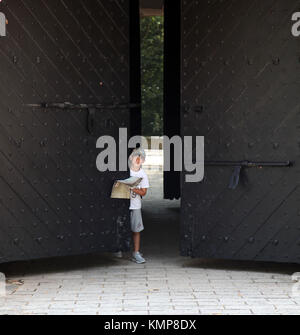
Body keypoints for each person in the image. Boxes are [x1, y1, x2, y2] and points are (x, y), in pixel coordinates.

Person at [129, 148, 150, 264]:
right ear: (130, 157)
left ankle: (136, 252)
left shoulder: (142, 175)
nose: (138, 159)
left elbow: (144, 192)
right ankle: (118, 248)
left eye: (140, 157)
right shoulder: (125, 171)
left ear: (143, 161)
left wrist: (134, 189)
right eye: (136, 156)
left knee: (136, 230)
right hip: (123, 203)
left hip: (135, 205)